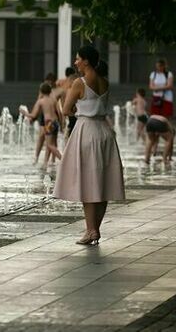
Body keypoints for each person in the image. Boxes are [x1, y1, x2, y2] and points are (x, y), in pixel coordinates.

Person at [54, 46, 125, 246]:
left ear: (86, 61)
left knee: (87, 183)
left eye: (77, 59)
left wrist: (75, 107)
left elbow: (66, 109)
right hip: (105, 131)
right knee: (102, 184)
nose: (75, 62)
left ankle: (90, 230)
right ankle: (95, 230)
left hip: (87, 131)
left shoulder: (80, 83)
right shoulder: (105, 82)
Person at [22, 82, 62, 168]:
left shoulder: (41, 101)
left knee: (50, 145)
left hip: (48, 124)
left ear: (41, 91)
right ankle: (46, 163)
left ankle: (63, 160)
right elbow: (59, 112)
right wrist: (61, 124)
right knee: (53, 144)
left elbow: (33, 115)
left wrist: (24, 113)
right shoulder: (53, 100)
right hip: (55, 122)